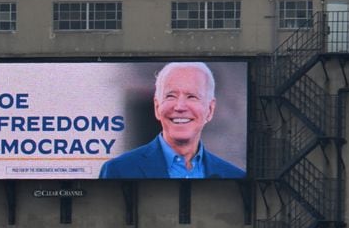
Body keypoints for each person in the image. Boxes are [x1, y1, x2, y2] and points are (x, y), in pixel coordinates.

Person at [99, 62, 245, 179]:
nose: (180, 106)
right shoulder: (117, 170)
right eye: (171, 96)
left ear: (210, 110)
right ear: (157, 107)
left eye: (192, 97)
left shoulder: (235, 176)